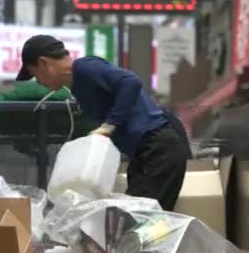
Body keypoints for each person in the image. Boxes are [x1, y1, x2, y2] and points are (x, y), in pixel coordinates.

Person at [16, 35, 192, 210]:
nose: (39, 82)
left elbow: (131, 82)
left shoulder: (85, 68)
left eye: (35, 75)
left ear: (44, 63)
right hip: (143, 155)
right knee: (135, 219)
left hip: (158, 149)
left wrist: (109, 125)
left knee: (142, 221)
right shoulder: (77, 87)